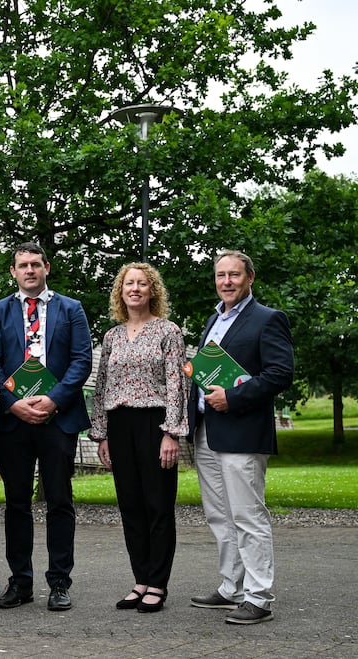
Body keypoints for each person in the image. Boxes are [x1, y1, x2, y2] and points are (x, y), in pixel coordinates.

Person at [0, 242, 92, 612]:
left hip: (57, 419)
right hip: (13, 421)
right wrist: (13, 404)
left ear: (47, 267)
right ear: (13, 272)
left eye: (35, 264)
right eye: (22, 266)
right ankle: (21, 582)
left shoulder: (71, 309)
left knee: (60, 501)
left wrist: (53, 399)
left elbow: (81, 361)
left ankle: (60, 582)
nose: (29, 271)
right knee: (16, 503)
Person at [187, 250, 294, 625]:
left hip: (242, 431)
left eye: (234, 275)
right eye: (221, 275)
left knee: (248, 516)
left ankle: (259, 597)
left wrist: (231, 398)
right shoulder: (212, 319)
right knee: (220, 516)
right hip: (206, 432)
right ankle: (231, 586)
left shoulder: (267, 319)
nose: (226, 281)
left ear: (250, 278)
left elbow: (281, 373)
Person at [89, 263, 189, 613]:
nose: (135, 289)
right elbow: (102, 386)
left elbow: (178, 383)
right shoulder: (111, 336)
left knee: (158, 506)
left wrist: (171, 433)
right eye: (128, 284)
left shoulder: (168, 331)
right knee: (130, 506)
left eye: (142, 284)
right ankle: (140, 580)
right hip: (119, 425)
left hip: (154, 423)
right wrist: (101, 434)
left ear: (152, 291)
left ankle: (158, 584)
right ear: (121, 292)